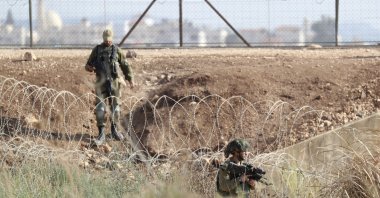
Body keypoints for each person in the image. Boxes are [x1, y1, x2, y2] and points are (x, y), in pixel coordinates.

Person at [85, 29, 134, 146]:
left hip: (115, 83)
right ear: (103, 38)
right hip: (101, 83)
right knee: (100, 108)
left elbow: (125, 66)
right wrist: (90, 68)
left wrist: (130, 79)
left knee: (115, 108)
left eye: (109, 39)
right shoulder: (97, 50)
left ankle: (114, 130)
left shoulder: (117, 51)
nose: (107, 42)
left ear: (112, 38)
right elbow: (87, 65)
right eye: (106, 40)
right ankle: (101, 132)